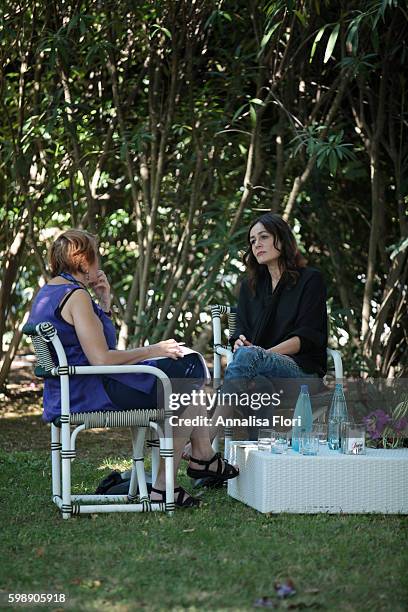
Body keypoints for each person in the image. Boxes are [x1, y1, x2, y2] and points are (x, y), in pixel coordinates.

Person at [28, 229, 238, 508]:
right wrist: (155, 349)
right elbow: (102, 358)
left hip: (72, 389)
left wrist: (104, 302)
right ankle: (185, 471)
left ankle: (196, 461)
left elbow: (98, 347)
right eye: (95, 256)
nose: (98, 262)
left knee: (185, 382)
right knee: (187, 371)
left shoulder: (50, 291)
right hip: (92, 391)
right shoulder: (76, 296)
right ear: (82, 261)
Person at [221, 213, 328, 425]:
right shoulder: (249, 287)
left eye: (264, 237)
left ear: (282, 239)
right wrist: (240, 342)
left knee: (250, 360)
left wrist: (258, 356)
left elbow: (307, 337)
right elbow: (239, 332)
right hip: (259, 372)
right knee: (258, 386)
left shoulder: (310, 280)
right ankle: (259, 452)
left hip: (301, 372)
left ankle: (206, 440)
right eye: (252, 241)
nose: (257, 244)